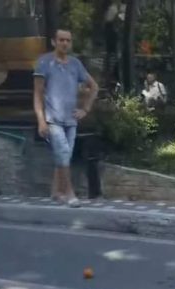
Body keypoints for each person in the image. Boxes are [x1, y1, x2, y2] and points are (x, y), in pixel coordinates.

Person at [34, 28, 99, 208]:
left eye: (68, 40)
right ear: (54, 42)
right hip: (53, 118)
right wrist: (41, 120)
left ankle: (55, 191)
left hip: (71, 119)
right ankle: (69, 193)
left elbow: (93, 87)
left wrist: (85, 109)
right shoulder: (44, 63)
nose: (65, 43)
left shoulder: (75, 64)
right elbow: (37, 94)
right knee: (63, 153)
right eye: (61, 40)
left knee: (64, 157)